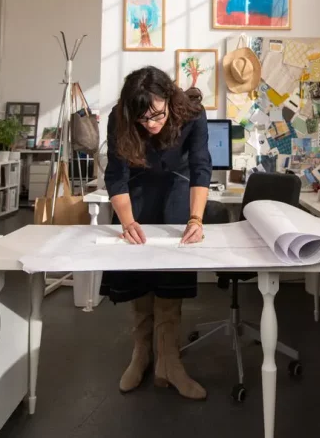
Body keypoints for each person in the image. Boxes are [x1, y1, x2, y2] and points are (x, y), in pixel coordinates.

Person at [102, 66, 211, 400]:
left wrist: (195, 218)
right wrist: (127, 221)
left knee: (169, 276)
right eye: (142, 119)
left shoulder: (191, 114)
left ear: (169, 99)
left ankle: (169, 361)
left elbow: (200, 167)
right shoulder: (120, 118)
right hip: (135, 190)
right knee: (137, 273)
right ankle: (142, 354)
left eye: (156, 115)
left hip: (176, 189)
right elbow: (115, 175)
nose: (150, 124)